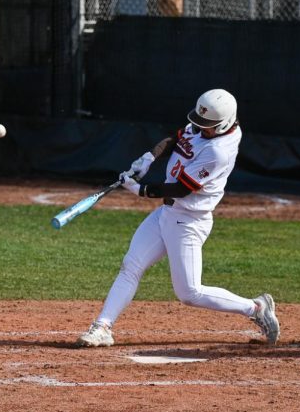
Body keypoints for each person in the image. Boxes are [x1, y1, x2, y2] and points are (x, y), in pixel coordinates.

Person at [77, 89, 281, 348]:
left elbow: (183, 188)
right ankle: (102, 327)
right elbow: (176, 139)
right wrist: (149, 158)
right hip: (167, 213)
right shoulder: (204, 125)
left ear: (225, 124)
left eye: (207, 126)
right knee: (131, 266)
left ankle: (255, 308)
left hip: (189, 221)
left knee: (189, 293)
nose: (200, 129)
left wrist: (141, 190)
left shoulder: (219, 151)